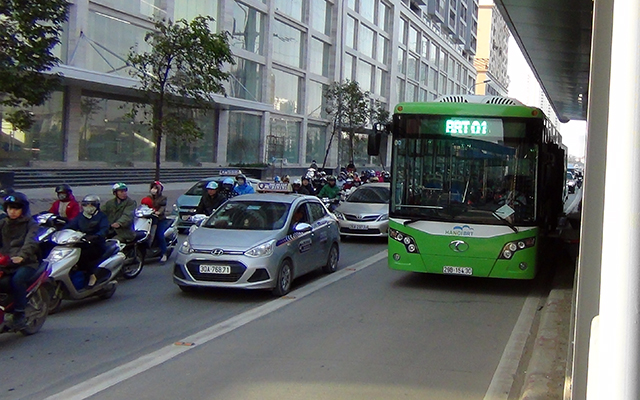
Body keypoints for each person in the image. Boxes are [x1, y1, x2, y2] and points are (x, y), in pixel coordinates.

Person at [0, 192, 40, 328]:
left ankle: (19, 314)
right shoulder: (3, 224)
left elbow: (31, 243)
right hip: (5, 263)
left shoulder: (31, 224)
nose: (12, 211)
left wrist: (22, 256)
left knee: (17, 280)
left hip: (26, 263)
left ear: (23, 209)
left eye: (16, 208)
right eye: (10, 208)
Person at [64, 195, 109, 287]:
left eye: (91, 204)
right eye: (86, 204)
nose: (88, 207)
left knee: (83, 255)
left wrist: (95, 236)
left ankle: (92, 275)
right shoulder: (80, 216)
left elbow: (104, 229)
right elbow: (70, 225)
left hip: (96, 244)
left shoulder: (101, 216)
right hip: (80, 242)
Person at [142, 181, 170, 263]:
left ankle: (164, 254)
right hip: (148, 219)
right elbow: (144, 205)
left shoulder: (163, 198)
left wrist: (158, 212)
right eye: (152, 188)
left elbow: (162, 207)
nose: (153, 190)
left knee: (160, 235)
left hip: (159, 220)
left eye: (155, 188)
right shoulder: (148, 197)